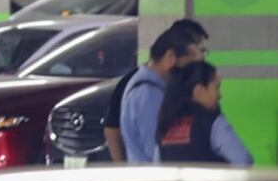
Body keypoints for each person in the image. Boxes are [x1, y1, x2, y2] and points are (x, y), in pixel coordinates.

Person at [104, 19, 209, 162]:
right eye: (191, 66)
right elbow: (161, 155)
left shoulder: (151, 86)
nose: (193, 75)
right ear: (171, 57)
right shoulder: (149, 95)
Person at [155, 61, 253, 165]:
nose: (219, 95)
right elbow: (243, 160)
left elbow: (157, 166)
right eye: (217, 88)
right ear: (199, 90)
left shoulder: (166, 125)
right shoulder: (212, 122)